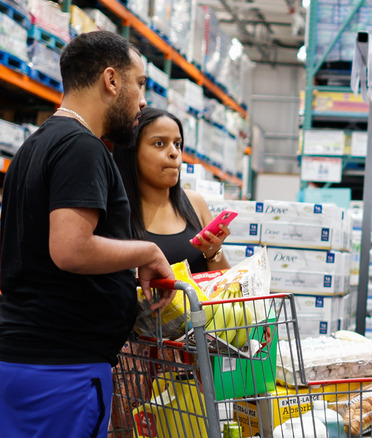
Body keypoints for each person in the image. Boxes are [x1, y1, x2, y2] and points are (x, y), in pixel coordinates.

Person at [0, 31, 176, 437]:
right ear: (111, 81)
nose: (143, 99)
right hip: (63, 373)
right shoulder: (82, 147)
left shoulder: (35, 145)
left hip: (26, 361)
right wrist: (147, 252)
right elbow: (70, 249)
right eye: (141, 83)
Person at [113, 107, 231, 273]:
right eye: (159, 144)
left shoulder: (195, 203)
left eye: (177, 144)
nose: (174, 153)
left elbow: (224, 285)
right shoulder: (115, 211)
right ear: (132, 151)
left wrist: (213, 252)